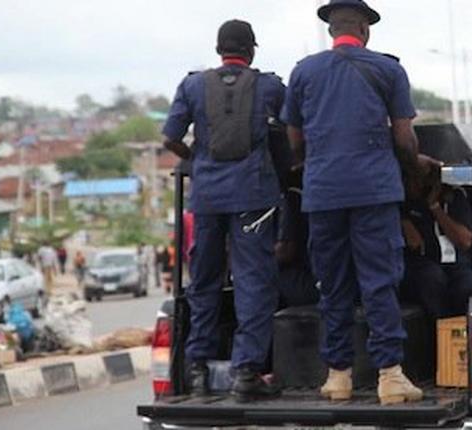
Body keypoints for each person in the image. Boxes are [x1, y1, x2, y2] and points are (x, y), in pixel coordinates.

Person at [282, 0, 428, 405]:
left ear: (332, 30)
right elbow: (403, 137)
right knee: (379, 281)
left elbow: (294, 138)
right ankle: (390, 377)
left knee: (333, 284)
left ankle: (338, 376)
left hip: (323, 193)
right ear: (365, 30)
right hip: (374, 191)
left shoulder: (303, 71)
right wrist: (414, 167)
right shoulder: (388, 69)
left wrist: (314, 164)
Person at [162, 19, 285, 401]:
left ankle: (198, 369)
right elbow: (293, 132)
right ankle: (246, 372)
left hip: (207, 199)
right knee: (253, 282)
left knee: (204, 280)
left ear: (219, 50)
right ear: (251, 51)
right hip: (253, 197)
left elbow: (170, 137)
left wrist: (196, 160)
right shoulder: (269, 86)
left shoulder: (192, 85)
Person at [401, 167, 472, 319]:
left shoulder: (454, 197)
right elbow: (414, 243)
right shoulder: (403, 204)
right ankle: (441, 334)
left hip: (455, 263)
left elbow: (464, 241)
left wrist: (435, 207)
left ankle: (459, 335)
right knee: (432, 279)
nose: (417, 185)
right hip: (422, 263)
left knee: (467, 285)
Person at [275, 173, 319, 308]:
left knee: (254, 274)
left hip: (304, 281)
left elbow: (286, 251)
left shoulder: (291, 198)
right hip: (324, 280)